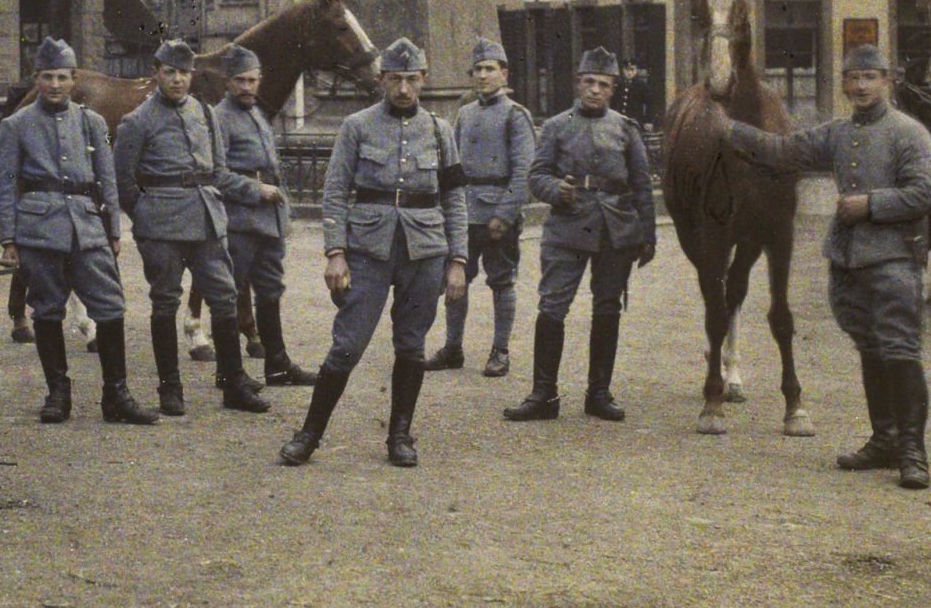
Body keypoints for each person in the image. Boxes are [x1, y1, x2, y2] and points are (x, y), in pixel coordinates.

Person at [723, 44, 931, 489]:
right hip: (849, 261)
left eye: (870, 78)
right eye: (853, 78)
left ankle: (912, 452)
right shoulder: (839, 134)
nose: (861, 86)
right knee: (870, 348)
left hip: (896, 261)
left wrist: (870, 205)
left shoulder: (909, 133)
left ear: (887, 82)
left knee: (901, 351)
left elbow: (927, 193)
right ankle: (884, 439)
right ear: (843, 84)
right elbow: (783, 151)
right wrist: (728, 129)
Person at [280, 37, 468, 468]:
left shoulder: (440, 131)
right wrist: (336, 252)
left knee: (412, 345)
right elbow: (334, 191)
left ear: (423, 79)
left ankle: (400, 436)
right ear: (381, 79)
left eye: (411, 79)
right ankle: (309, 435)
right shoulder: (357, 126)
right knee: (347, 344)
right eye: (395, 79)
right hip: (368, 251)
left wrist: (458, 260)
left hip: (424, 252)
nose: (403, 88)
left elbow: (455, 199)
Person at [0, 36, 156, 426]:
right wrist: (8, 238)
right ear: (37, 78)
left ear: (73, 80)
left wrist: (113, 228)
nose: (55, 85)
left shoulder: (92, 122)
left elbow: (107, 179)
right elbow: (6, 184)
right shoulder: (16, 126)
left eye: (63, 77)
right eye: (47, 77)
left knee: (110, 306)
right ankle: (58, 393)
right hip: (39, 228)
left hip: (87, 226)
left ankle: (116, 395)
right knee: (47, 308)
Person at [114, 38, 279, 416]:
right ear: (156, 73)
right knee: (165, 302)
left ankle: (234, 384)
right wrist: (146, 216)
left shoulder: (205, 113)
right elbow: (123, 181)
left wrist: (253, 190)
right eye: (170, 72)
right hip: (162, 227)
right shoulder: (137, 121)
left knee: (223, 297)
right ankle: (170, 388)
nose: (177, 80)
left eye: (184, 73)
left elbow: (218, 172)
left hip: (206, 222)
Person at [507, 46, 656, 425]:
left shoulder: (626, 128)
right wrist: (557, 190)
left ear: (613, 88)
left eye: (603, 84)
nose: (594, 90)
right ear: (578, 83)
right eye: (589, 82)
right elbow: (537, 176)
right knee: (552, 306)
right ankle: (543, 395)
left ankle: (599, 394)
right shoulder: (557, 126)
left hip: (614, 229)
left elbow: (641, 185)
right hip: (568, 227)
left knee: (607, 307)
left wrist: (648, 235)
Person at [427, 37, 535, 378]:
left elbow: (524, 171)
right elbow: (452, 166)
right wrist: (446, 210)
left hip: (497, 213)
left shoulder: (516, 115)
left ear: (504, 74)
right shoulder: (465, 114)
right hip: (464, 211)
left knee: (501, 281)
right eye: (478, 69)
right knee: (456, 277)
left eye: (490, 69)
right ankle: (452, 348)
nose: (483, 75)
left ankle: (500, 350)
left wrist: (505, 214)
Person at [213, 45, 317, 389]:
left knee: (271, 289)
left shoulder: (257, 113)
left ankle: (277, 365)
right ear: (228, 82)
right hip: (238, 220)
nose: (247, 87)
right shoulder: (219, 118)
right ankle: (229, 374)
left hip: (268, 220)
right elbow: (214, 173)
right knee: (229, 294)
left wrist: (284, 215)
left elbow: (272, 168)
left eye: (252, 80)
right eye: (240, 80)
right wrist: (255, 190)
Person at [617, 61, 654, 130]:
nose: (629, 73)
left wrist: (648, 121)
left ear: (636, 70)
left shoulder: (642, 86)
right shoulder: (619, 85)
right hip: (620, 120)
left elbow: (650, 104)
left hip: (635, 121)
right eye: (627, 70)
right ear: (623, 70)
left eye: (632, 70)